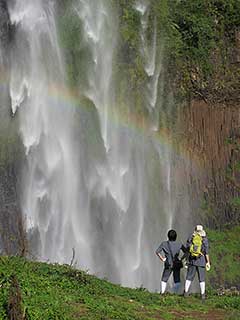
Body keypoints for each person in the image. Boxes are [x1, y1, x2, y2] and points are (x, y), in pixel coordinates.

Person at [184, 225, 211, 301]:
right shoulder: (204, 239)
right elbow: (206, 252)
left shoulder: (191, 237)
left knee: (189, 277)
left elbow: (188, 250)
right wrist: (208, 262)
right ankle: (203, 295)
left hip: (192, 260)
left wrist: (186, 260)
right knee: (201, 279)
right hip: (201, 261)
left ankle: (186, 293)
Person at [156, 229, 186, 294]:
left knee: (164, 279)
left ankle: (162, 292)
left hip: (168, 264)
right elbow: (186, 252)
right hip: (176, 263)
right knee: (177, 280)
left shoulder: (164, 244)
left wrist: (162, 259)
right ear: (176, 236)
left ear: (168, 236)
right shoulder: (179, 244)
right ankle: (175, 293)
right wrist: (181, 258)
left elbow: (157, 252)